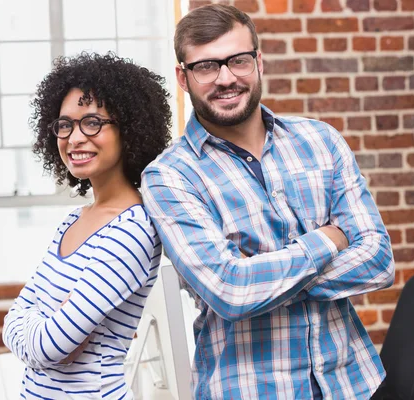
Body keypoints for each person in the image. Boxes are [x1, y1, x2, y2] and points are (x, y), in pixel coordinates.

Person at [140, 4, 395, 400]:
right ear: (183, 77)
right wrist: (327, 241)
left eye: (238, 60)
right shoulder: (169, 177)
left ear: (258, 61)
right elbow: (230, 291)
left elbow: (378, 261)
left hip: (354, 383)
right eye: (206, 66)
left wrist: (261, 280)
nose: (226, 78)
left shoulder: (321, 141)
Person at [2, 52, 172, 399]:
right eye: (65, 124)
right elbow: (13, 323)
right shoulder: (72, 220)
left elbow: (51, 346)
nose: (75, 137)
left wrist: (44, 331)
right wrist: (45, 329)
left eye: (92, 122)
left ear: (130, 129)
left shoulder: (133, 229)